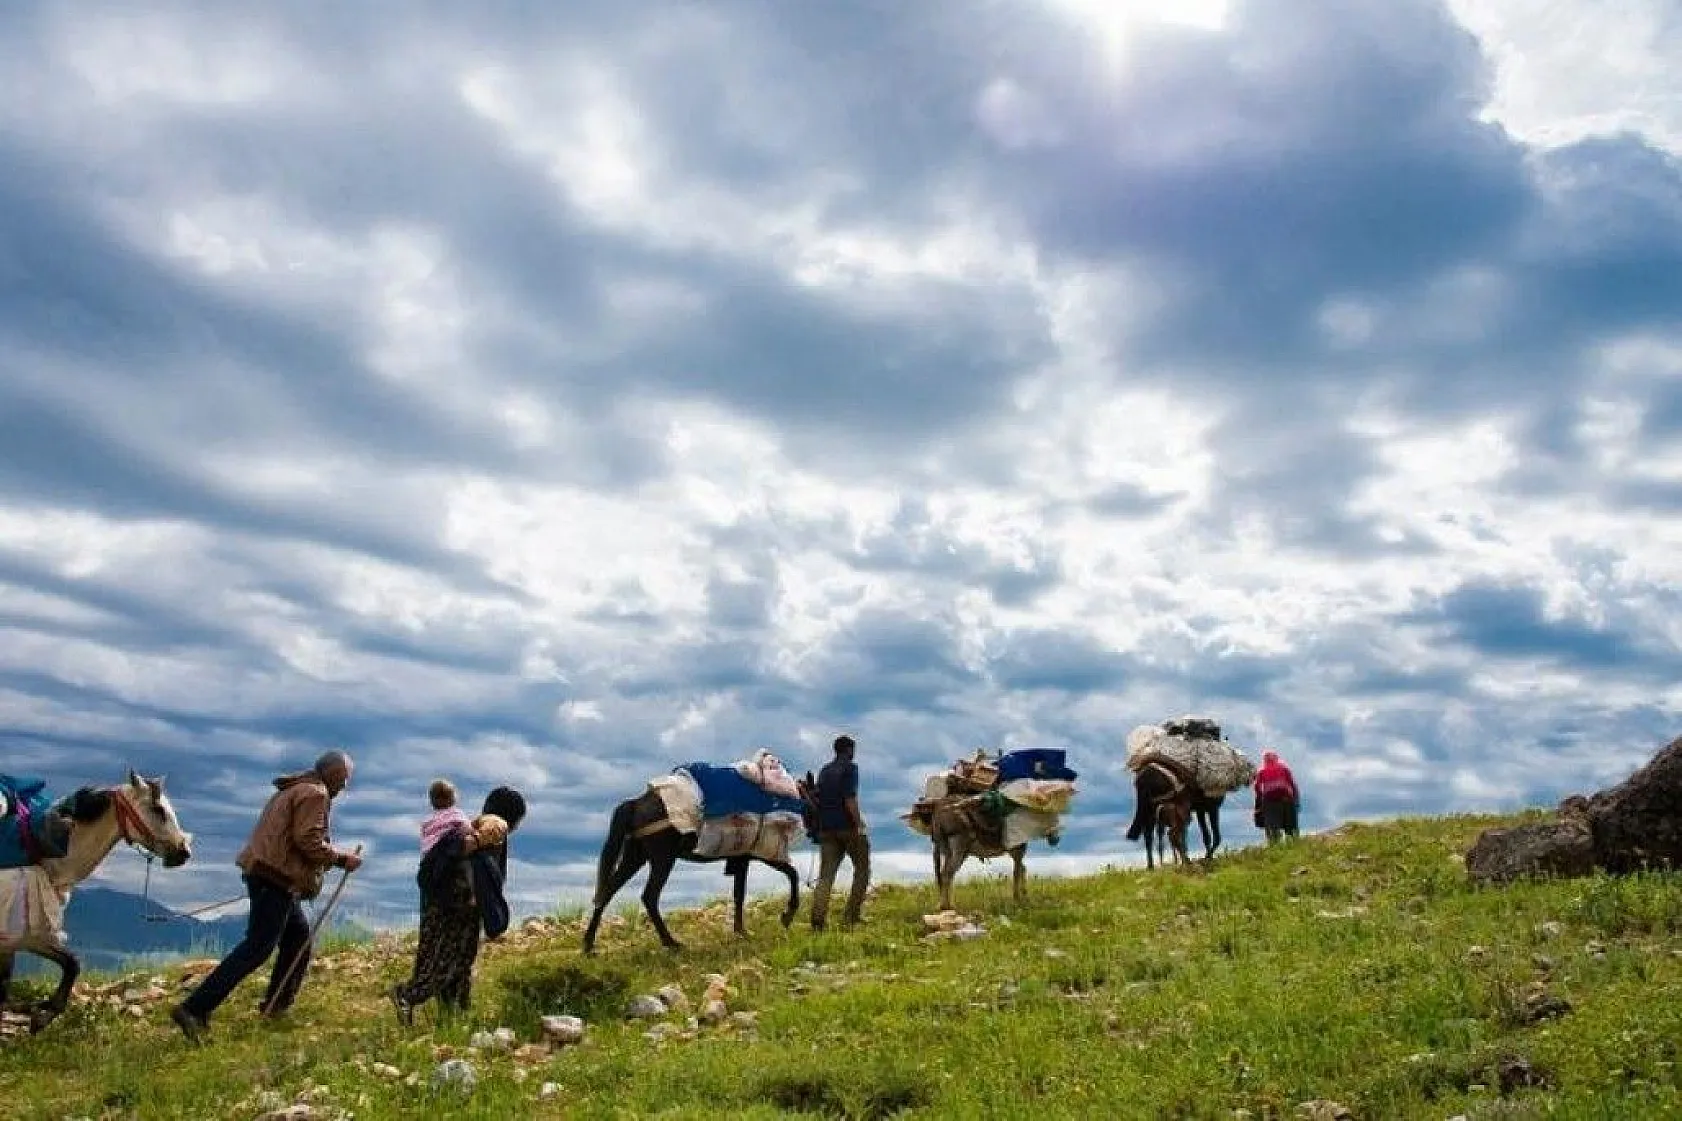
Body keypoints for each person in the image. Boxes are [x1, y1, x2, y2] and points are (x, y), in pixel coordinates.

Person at [171, 751, 362, 1042]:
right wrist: (340, 859)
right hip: (276, 879)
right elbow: (307, 839)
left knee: (298, 937)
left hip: (266, 874)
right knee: (258, 947)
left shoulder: (294, 789)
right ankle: (194, 1008)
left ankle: (276, 1007)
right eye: (344, 778)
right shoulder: (315, 794)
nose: (345, 785)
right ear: (332, 773)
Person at [391, 785, 527, 1022]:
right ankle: (407, 995)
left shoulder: (468, 824)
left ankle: (455, 1014)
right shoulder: (494, 824)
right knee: (452, 960)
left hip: (439, 901)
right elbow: (476, 854)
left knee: (457, 961)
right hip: (460, 905)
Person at [809, 735, 870, 931]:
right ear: (849, 750)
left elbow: (817, 798)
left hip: (826, 828)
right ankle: (851, 916)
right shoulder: (851, 768)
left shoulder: (825, 771)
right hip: (847, 827)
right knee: (862, 869)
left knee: (826, 875)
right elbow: (849, 799)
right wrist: (859, 823)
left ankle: (818, 921)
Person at [1252, 749, 1301, 844]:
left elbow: (1257, 787)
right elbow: (1292, 784)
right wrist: (1296, 799)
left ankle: (1274, 844)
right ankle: (1293, 843)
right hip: (1286, 799)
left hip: (1270, 801)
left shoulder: (1262, 771)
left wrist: (1259, 801)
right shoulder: (1284, 768)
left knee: (1272, 826)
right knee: (1291, 826)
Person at [421, 779, 471, 854]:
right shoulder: (455, 813)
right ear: (451, 799)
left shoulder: (428, 821)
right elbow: (467, 827)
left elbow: (424, 836)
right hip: (449, 851)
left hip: (430, 854)